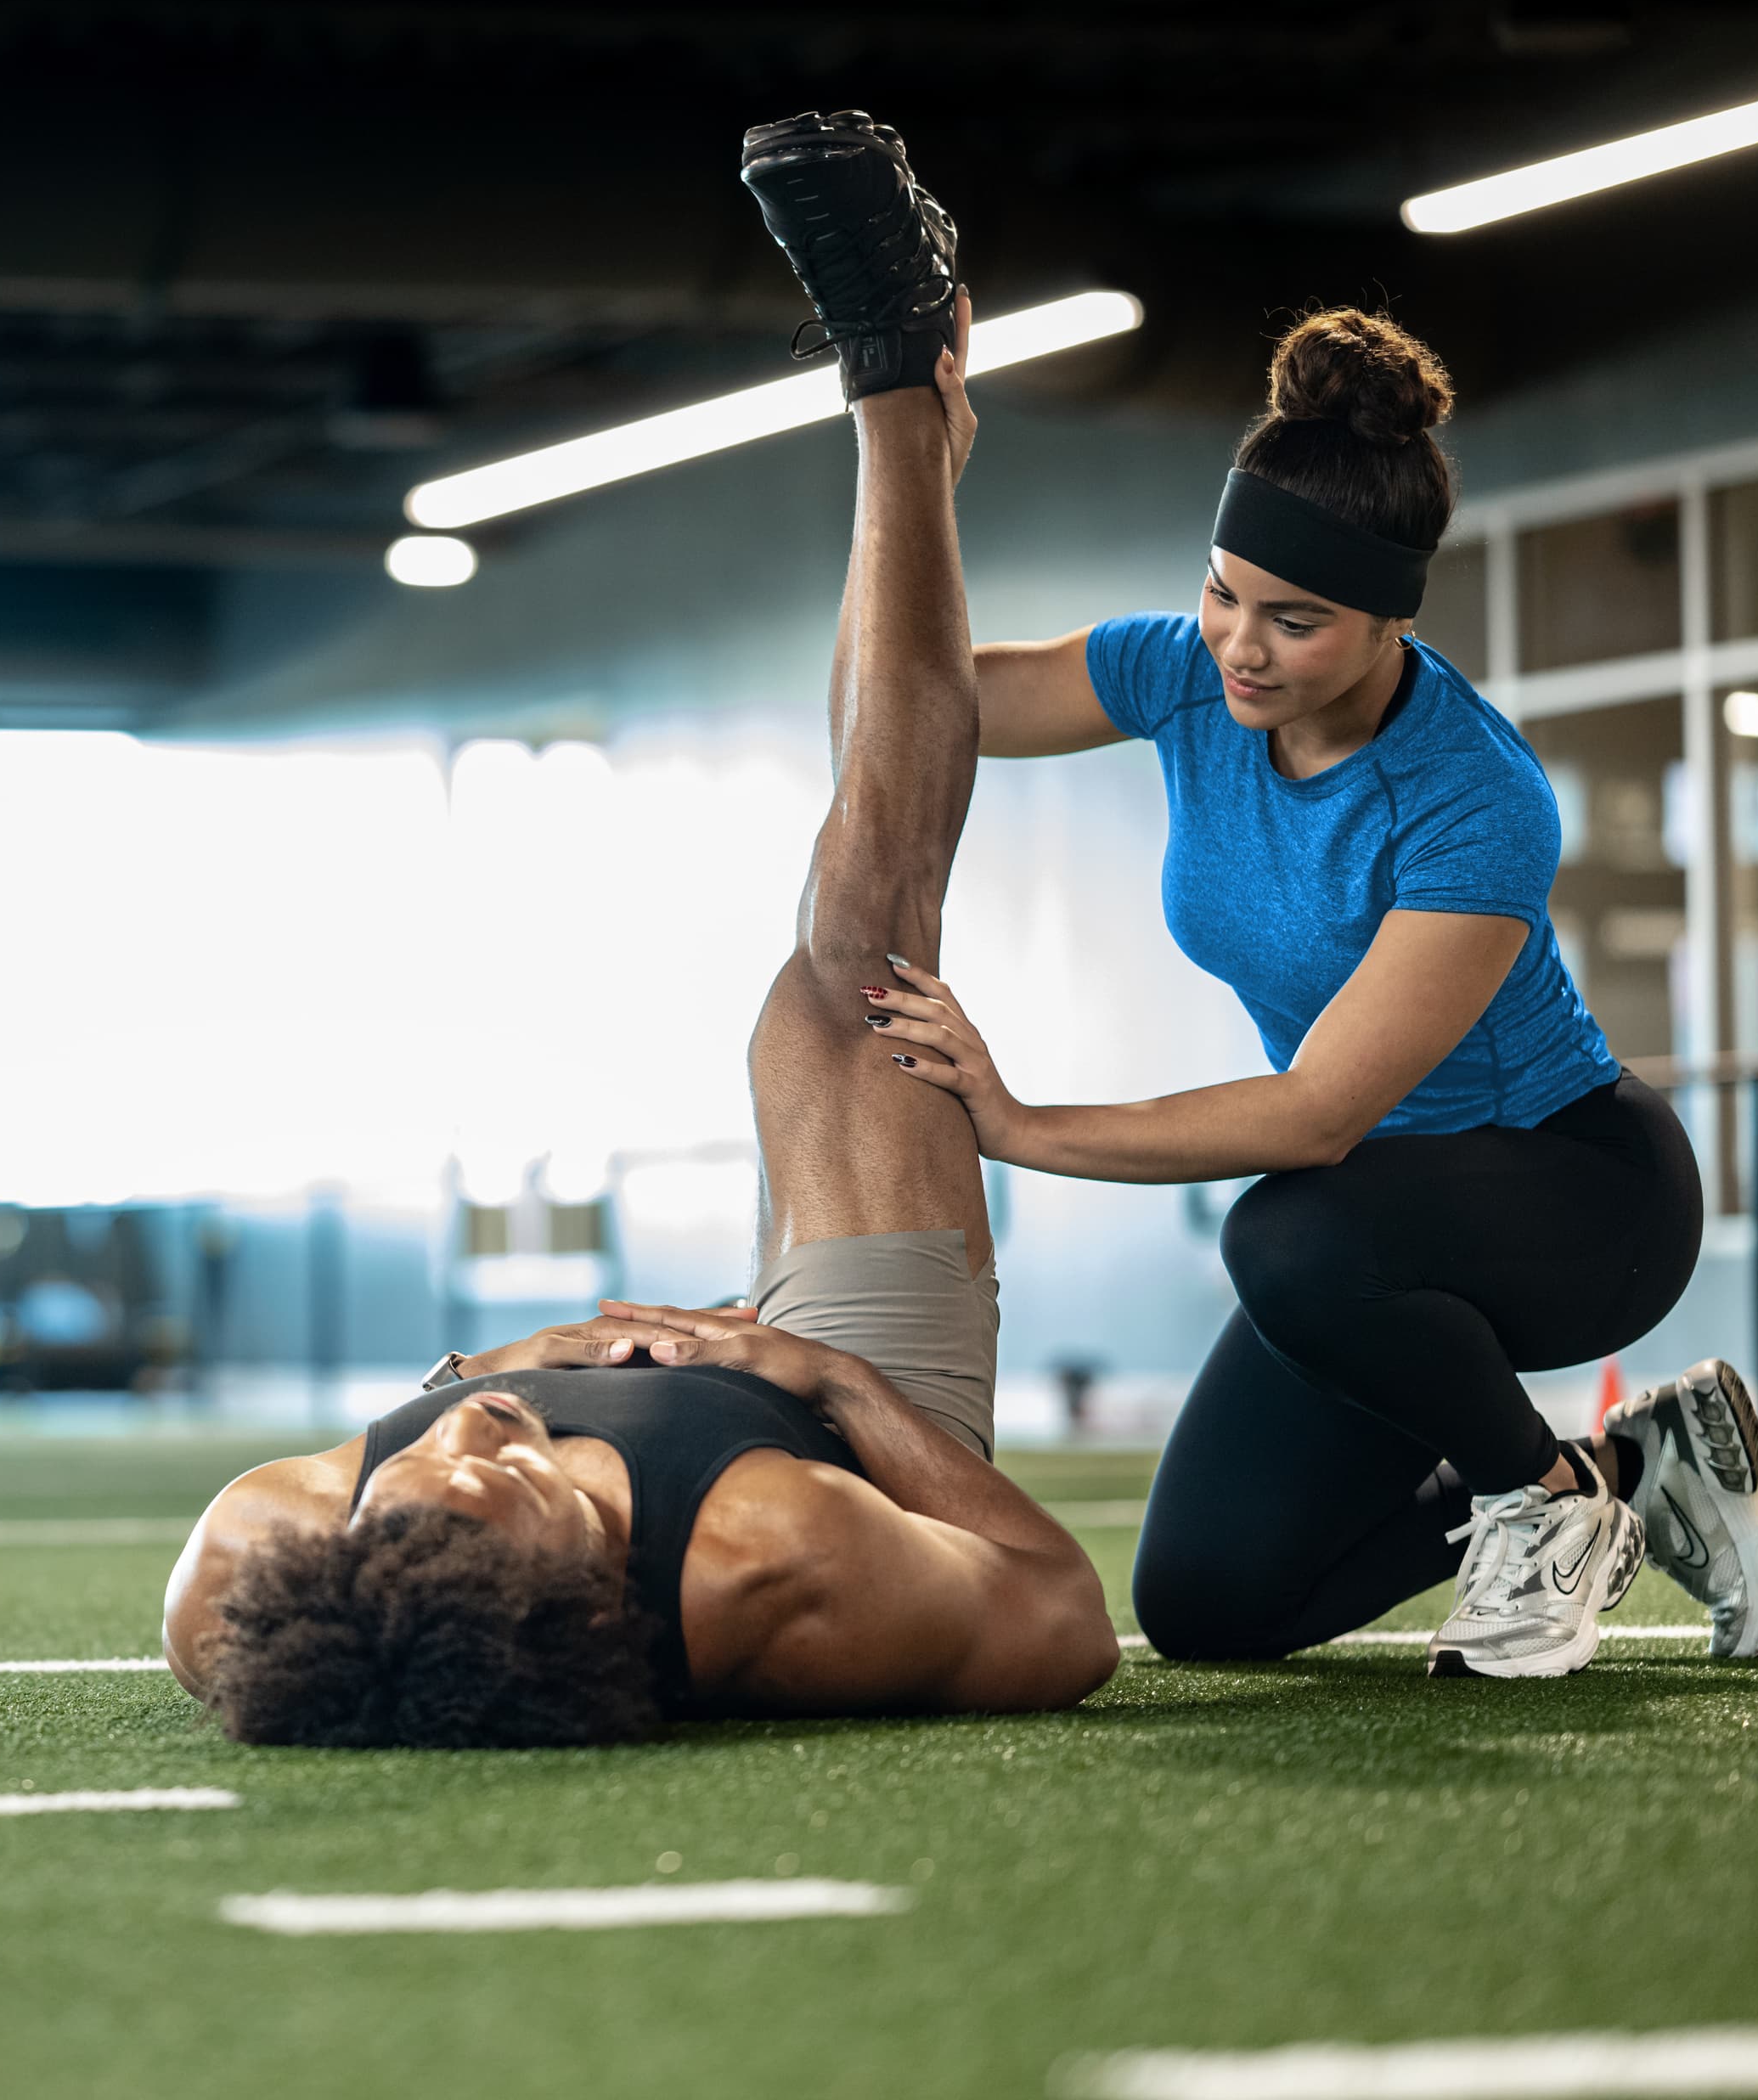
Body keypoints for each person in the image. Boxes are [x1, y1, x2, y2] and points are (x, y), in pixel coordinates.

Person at [162, 111, 1118, 1747]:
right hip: (831, 1403)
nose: (465, 1436)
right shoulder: (769, 1564)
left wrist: (524, 1380)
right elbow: (1061, 1610)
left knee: (835, 931)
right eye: (495, 1483)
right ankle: (900, 389)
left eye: (418, 1478)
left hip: (705, 1359)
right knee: (858, 952)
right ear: (581, 1590)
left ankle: (916, 442)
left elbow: (426, 1465)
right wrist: (827, 1390)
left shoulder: (274, 1558)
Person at [869, 307, 1758, 1677]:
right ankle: (1625, 1467)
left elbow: (1315, 1120)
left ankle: (1542, 1504)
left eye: (1295, 622)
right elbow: (908, 705)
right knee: (1211, 1605)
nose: (1240, 645)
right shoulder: (1181, 677)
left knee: (1286, 1233)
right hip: (1374, 1237)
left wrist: (1019, 1123)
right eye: (1223, 591)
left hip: (1578, 1197)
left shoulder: (1477, 798)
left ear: (1390, 620)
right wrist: (909, 487)